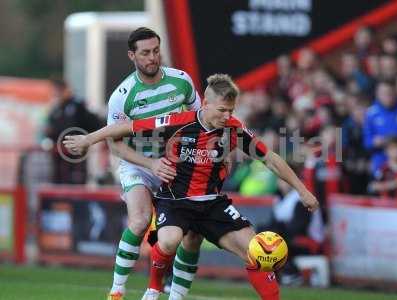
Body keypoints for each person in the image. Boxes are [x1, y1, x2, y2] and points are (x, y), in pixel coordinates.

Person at [64, 74, 319, 300]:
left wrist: (302, 190)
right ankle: (153, 290)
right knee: (170, 239)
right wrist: (88, 139)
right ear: (206, 104)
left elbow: (270, 159)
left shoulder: (234, 129)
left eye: (231, 110)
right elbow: (125, 127)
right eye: (222, 110)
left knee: (259, 253)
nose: (228, 116)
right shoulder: (177, 121)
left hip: (212, 203)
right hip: (176, 200)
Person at [103, 27, 203, 300]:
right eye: (145, 53)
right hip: (138, 163)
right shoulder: (122, 96)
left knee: (191, 231)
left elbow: (202, 123)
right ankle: (117, 290)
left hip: (174, 164)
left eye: (156, 51)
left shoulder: (181, 81)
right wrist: (150, 163)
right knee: (139, 220)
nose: (152, 58)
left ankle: (170, 289)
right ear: (132, 55)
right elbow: (115, 144)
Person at [44, 78, 104, 184]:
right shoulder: (56, 109)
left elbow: (94, 123)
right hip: (59, 156)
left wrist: (87, 139)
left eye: (60, 90)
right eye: (56, 91)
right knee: (58, 180)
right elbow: (50, 129)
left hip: (76, 155)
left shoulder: (78, 106)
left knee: (76, 181)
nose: (57, 94)